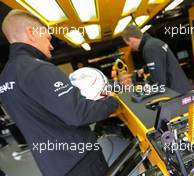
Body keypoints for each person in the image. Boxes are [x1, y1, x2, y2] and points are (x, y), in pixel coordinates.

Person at [0, 9, 118, 176]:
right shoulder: (38, 68)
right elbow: (78, 114)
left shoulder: (5, 78)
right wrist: (112, 101)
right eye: (48, 37)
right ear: (32, 33)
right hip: (81, 159)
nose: (51, 45)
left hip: (52, 166)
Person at [122, 25, 194, 116]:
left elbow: (158, 81)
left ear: (131, 39)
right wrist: (144, 70)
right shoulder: (155, 42)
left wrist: (137, 84)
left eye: (128, 43)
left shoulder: (149, 48)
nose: (130, 46)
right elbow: (161, 63)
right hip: (181, 89)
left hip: (175, 95)